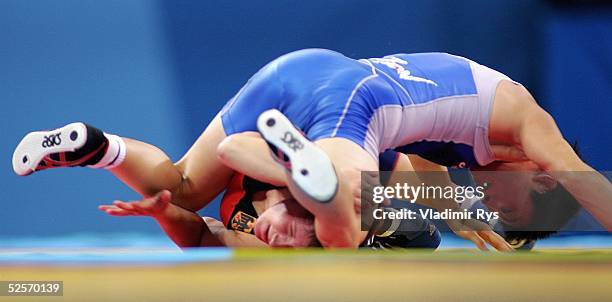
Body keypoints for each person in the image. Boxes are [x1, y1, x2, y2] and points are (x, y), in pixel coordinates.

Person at [14, 49, 609, 248]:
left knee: (184, 187)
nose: (497, 201)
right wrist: (458, 208)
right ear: (537, 177)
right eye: (516, 203)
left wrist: (459, 209)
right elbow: (577, 174)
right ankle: (299, 169)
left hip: (297, 75)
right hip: (349, 100)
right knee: (345, 215)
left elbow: (430, 182)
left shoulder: (467, 135)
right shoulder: (529, 121)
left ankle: (99, 147)